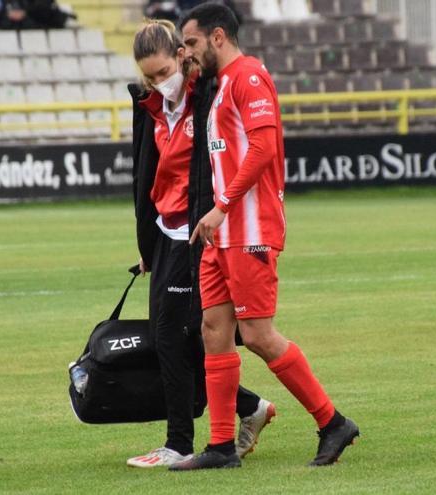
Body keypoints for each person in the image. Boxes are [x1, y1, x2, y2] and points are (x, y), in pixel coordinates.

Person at [169, 3, 359, 471]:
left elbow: (264, 146)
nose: (187, 53)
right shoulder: (220, 85)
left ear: (217, 37)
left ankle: (332, 421)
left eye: (192, 43)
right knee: (214, 330)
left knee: (255, 334)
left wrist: (221, 207)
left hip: (248, 229)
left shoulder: (249, 76)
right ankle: (218, 448)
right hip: (222, 233)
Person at [126, 19, 275, 468]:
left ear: (181, 56)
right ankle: (249, 408)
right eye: (149, 76)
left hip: (199, 233)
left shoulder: (206, 98)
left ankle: (180, 443)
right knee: (178, 337)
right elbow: (147, 177)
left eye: (163, 70)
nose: (157, 81)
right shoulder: (149, 106)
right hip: (166, 235)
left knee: (177, 337)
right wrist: (147, 241)